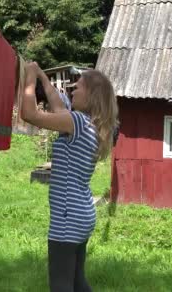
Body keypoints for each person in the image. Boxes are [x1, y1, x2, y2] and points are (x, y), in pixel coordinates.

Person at [21, 62, 118, 292]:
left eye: (79, 87)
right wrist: (43, 77)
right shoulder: (88, 125)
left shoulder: (77, 122)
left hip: (67, 219)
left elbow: (28, 114)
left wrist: (29, 79)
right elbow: (57, 105)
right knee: (76, 281)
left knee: (61, 285)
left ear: (92, 96)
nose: (73, 89)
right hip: (82, 214)